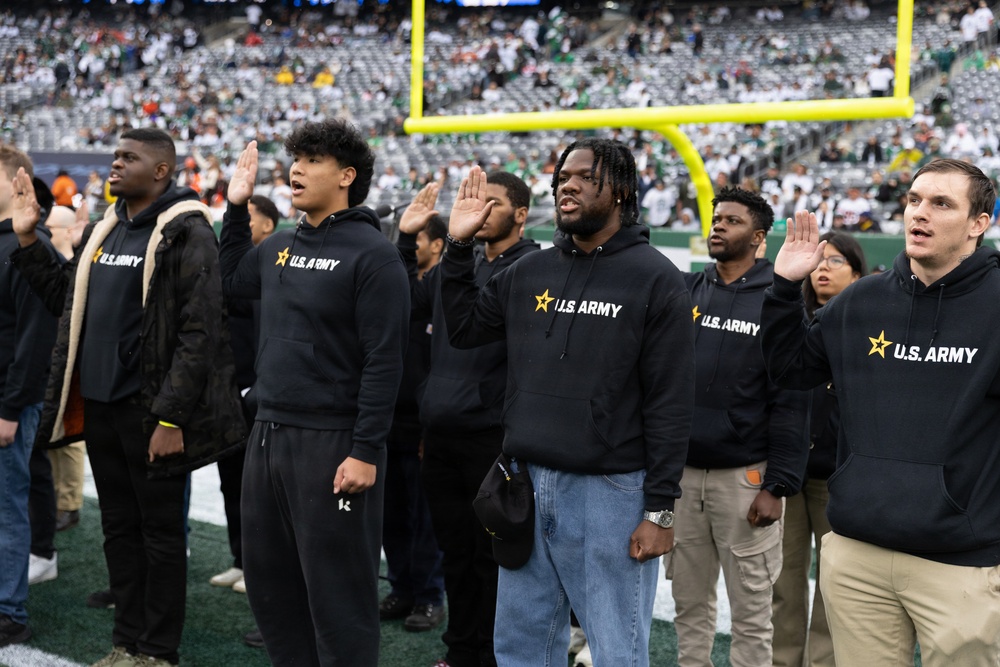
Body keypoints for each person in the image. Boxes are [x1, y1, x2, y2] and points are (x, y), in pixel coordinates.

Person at [438, 138, 695, 666]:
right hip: (525, 482)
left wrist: (661, 510)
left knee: (616, 650)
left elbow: (670, 403)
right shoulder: (530, 270)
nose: (567, 186)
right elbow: (462, 329)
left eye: (583, 177)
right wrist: (457, 248)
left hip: (611, 491)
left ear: (620, 191)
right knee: (521, 647)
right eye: (561, 178)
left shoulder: (657, 278)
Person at [10, 128, 247, 667]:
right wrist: (28, 241)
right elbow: (65, 304)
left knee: (160, 535)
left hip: (150, 415)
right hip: (101, 408)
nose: (114, 165)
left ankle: (157, 652)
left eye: (128, 158)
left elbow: (201, 331)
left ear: (161, 171)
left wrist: (170, 417)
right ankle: (126, 643)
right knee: (117, 529)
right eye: (115, 156)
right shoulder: (105, 229)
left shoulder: (188, 231)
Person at [761, 158, 1000, 666]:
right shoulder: (862, 300)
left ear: (980, 223)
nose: (920, 212)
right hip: (857, 552)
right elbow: (789, 370)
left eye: (942, 203)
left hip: (962, 561)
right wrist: (783, 289)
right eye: (914, 199)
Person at [219, 122, 409, 666]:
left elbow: (384, 360)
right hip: (267, 434)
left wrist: (366, 449)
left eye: (313, 160)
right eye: (296, 158)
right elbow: (231, 286)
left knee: (339, 596)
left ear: (347, 176)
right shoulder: (279, 243)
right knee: (272, 588)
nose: (296, 169)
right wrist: (235, 209)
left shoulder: (375, 256)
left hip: (334, 444)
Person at [395, 172, 541, 667]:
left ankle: (497, 656)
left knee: (495, 562)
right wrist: (401, 237)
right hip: (440, 434)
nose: (479, 211)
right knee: (456, 555)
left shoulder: (535, 269)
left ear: (520, 214)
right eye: (474, 202)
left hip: (493, 441)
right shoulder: (457, 265)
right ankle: (461, 653)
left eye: (493, 203)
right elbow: (401, 302)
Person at [669, 187, 809, 667]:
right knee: (688, 603)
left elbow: (792, 399)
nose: (718, 226)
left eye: (731, 220)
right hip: (682, 477)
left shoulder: (780, 298)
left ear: (758, 236)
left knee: (752, 611)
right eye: (716, 218)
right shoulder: (688, 290)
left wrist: (778, 485)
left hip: (745, 479)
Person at [771, 232, 866, 667]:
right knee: (784, 583)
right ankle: (783, 660)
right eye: (819, 260)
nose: (822, 267)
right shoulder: (794, 324)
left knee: (835, 588)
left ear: (859, 272)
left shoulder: (869, 326)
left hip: (840, 480)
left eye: (836, 260)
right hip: (787, 478)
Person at [0, 145, 61, 648]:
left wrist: (10, 408)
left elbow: (34, 339)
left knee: (6, 507)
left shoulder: (29, 246)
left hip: (7, 404)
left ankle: (8, 612)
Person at [378, 211, 447, 635]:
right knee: (391, 517)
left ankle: (428, 597)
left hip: (424, 430)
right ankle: (401, 588)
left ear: (438, 244)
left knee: (425, 521)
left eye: (419, 238)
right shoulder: (399, 291)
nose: (411, 245)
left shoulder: (445, 294)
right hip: (388, 425)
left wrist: (431, 428)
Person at [209, 194, 281, 597]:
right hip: (227, 393)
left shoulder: (268, 267)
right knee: (229, 482)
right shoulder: (231, 268)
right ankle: (240, 560)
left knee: (258, 489)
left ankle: (260, 568)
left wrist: (256, 383)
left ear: (268, 225)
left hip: (256, 394)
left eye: (248, 217)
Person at [40, 206, 88, 533]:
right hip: (46, 360)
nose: (46, 231)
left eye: (52, 227)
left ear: (70, 230)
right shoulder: (47, 264)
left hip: (70, 363)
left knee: (70, 439)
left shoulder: (76, 269)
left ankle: (68, 504)